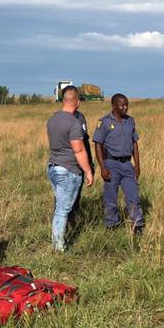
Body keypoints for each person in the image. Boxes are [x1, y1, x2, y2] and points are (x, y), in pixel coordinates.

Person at [46, 86, 94, 252]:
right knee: (62, 210)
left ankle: (56, 241)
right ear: (78, 103)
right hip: (68, 170)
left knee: (59, 206)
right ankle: (58, 247)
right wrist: (88, 171)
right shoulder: (74, 122)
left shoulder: (52, 119)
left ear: (64, 100)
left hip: (53, 167)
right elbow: (79, 150)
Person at [94, 93, 143, 233]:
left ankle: (137, 225)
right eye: (122, 105)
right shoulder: (104, 122)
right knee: (111, 197)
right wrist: (102, 167)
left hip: (127, 164)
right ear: (114, 106)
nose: (125, 108)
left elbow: (135, 144)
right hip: (111, 163)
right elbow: (98, 144)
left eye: (127, 104)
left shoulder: (130, 121)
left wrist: (137, 166)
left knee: (133, 195)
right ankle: (112, 224)